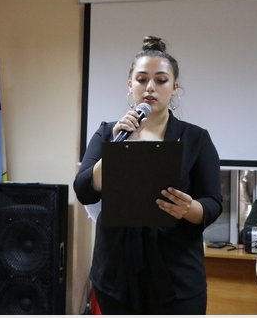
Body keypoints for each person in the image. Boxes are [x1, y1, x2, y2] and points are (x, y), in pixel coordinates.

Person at [74, 36, 222, 314]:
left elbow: (213, 204)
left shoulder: (196, 138)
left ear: (175, 88)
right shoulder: (108, 133)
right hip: (116, 274)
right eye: (141, 79)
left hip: (176, 276)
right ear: (130, 85)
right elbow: (84, 189)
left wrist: (189, 208)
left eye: (161, 80)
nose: (150, 87)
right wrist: (117, 147)